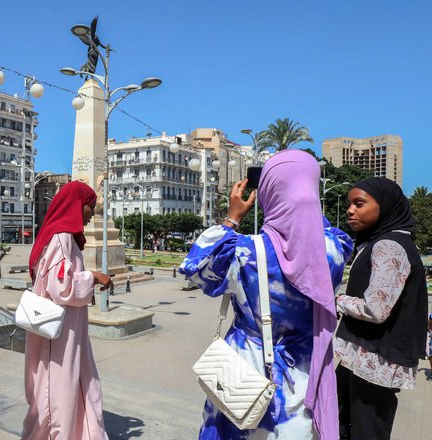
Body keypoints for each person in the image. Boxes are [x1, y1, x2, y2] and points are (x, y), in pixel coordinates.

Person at [180, 150, 353, 440]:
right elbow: (316, 227)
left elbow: (198, 270)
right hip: (303, 378)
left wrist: (232, 219)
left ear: (269, 194)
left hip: (243, 378)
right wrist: (305, 200)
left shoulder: (244, 252)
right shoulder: (334, 249)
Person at [335, 177, 428, 440]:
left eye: (359, 203)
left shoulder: (389, 246)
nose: (351, 210)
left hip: (375, 362)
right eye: (350, 203)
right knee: (344, 425)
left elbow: (377, 310)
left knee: (366, 432)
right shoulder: (385, 241)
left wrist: (336, 301)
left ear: (384, 206)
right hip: (366, 358)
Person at [23, 180, 113, 440]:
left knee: (75, 385)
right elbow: (60, 286)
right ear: (77, 205)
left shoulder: (62, 236)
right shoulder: (61, 236)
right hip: (59, 337)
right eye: (91, 206)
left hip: (69, 331)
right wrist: (93, 276)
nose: (93, 213)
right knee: (58, 392)